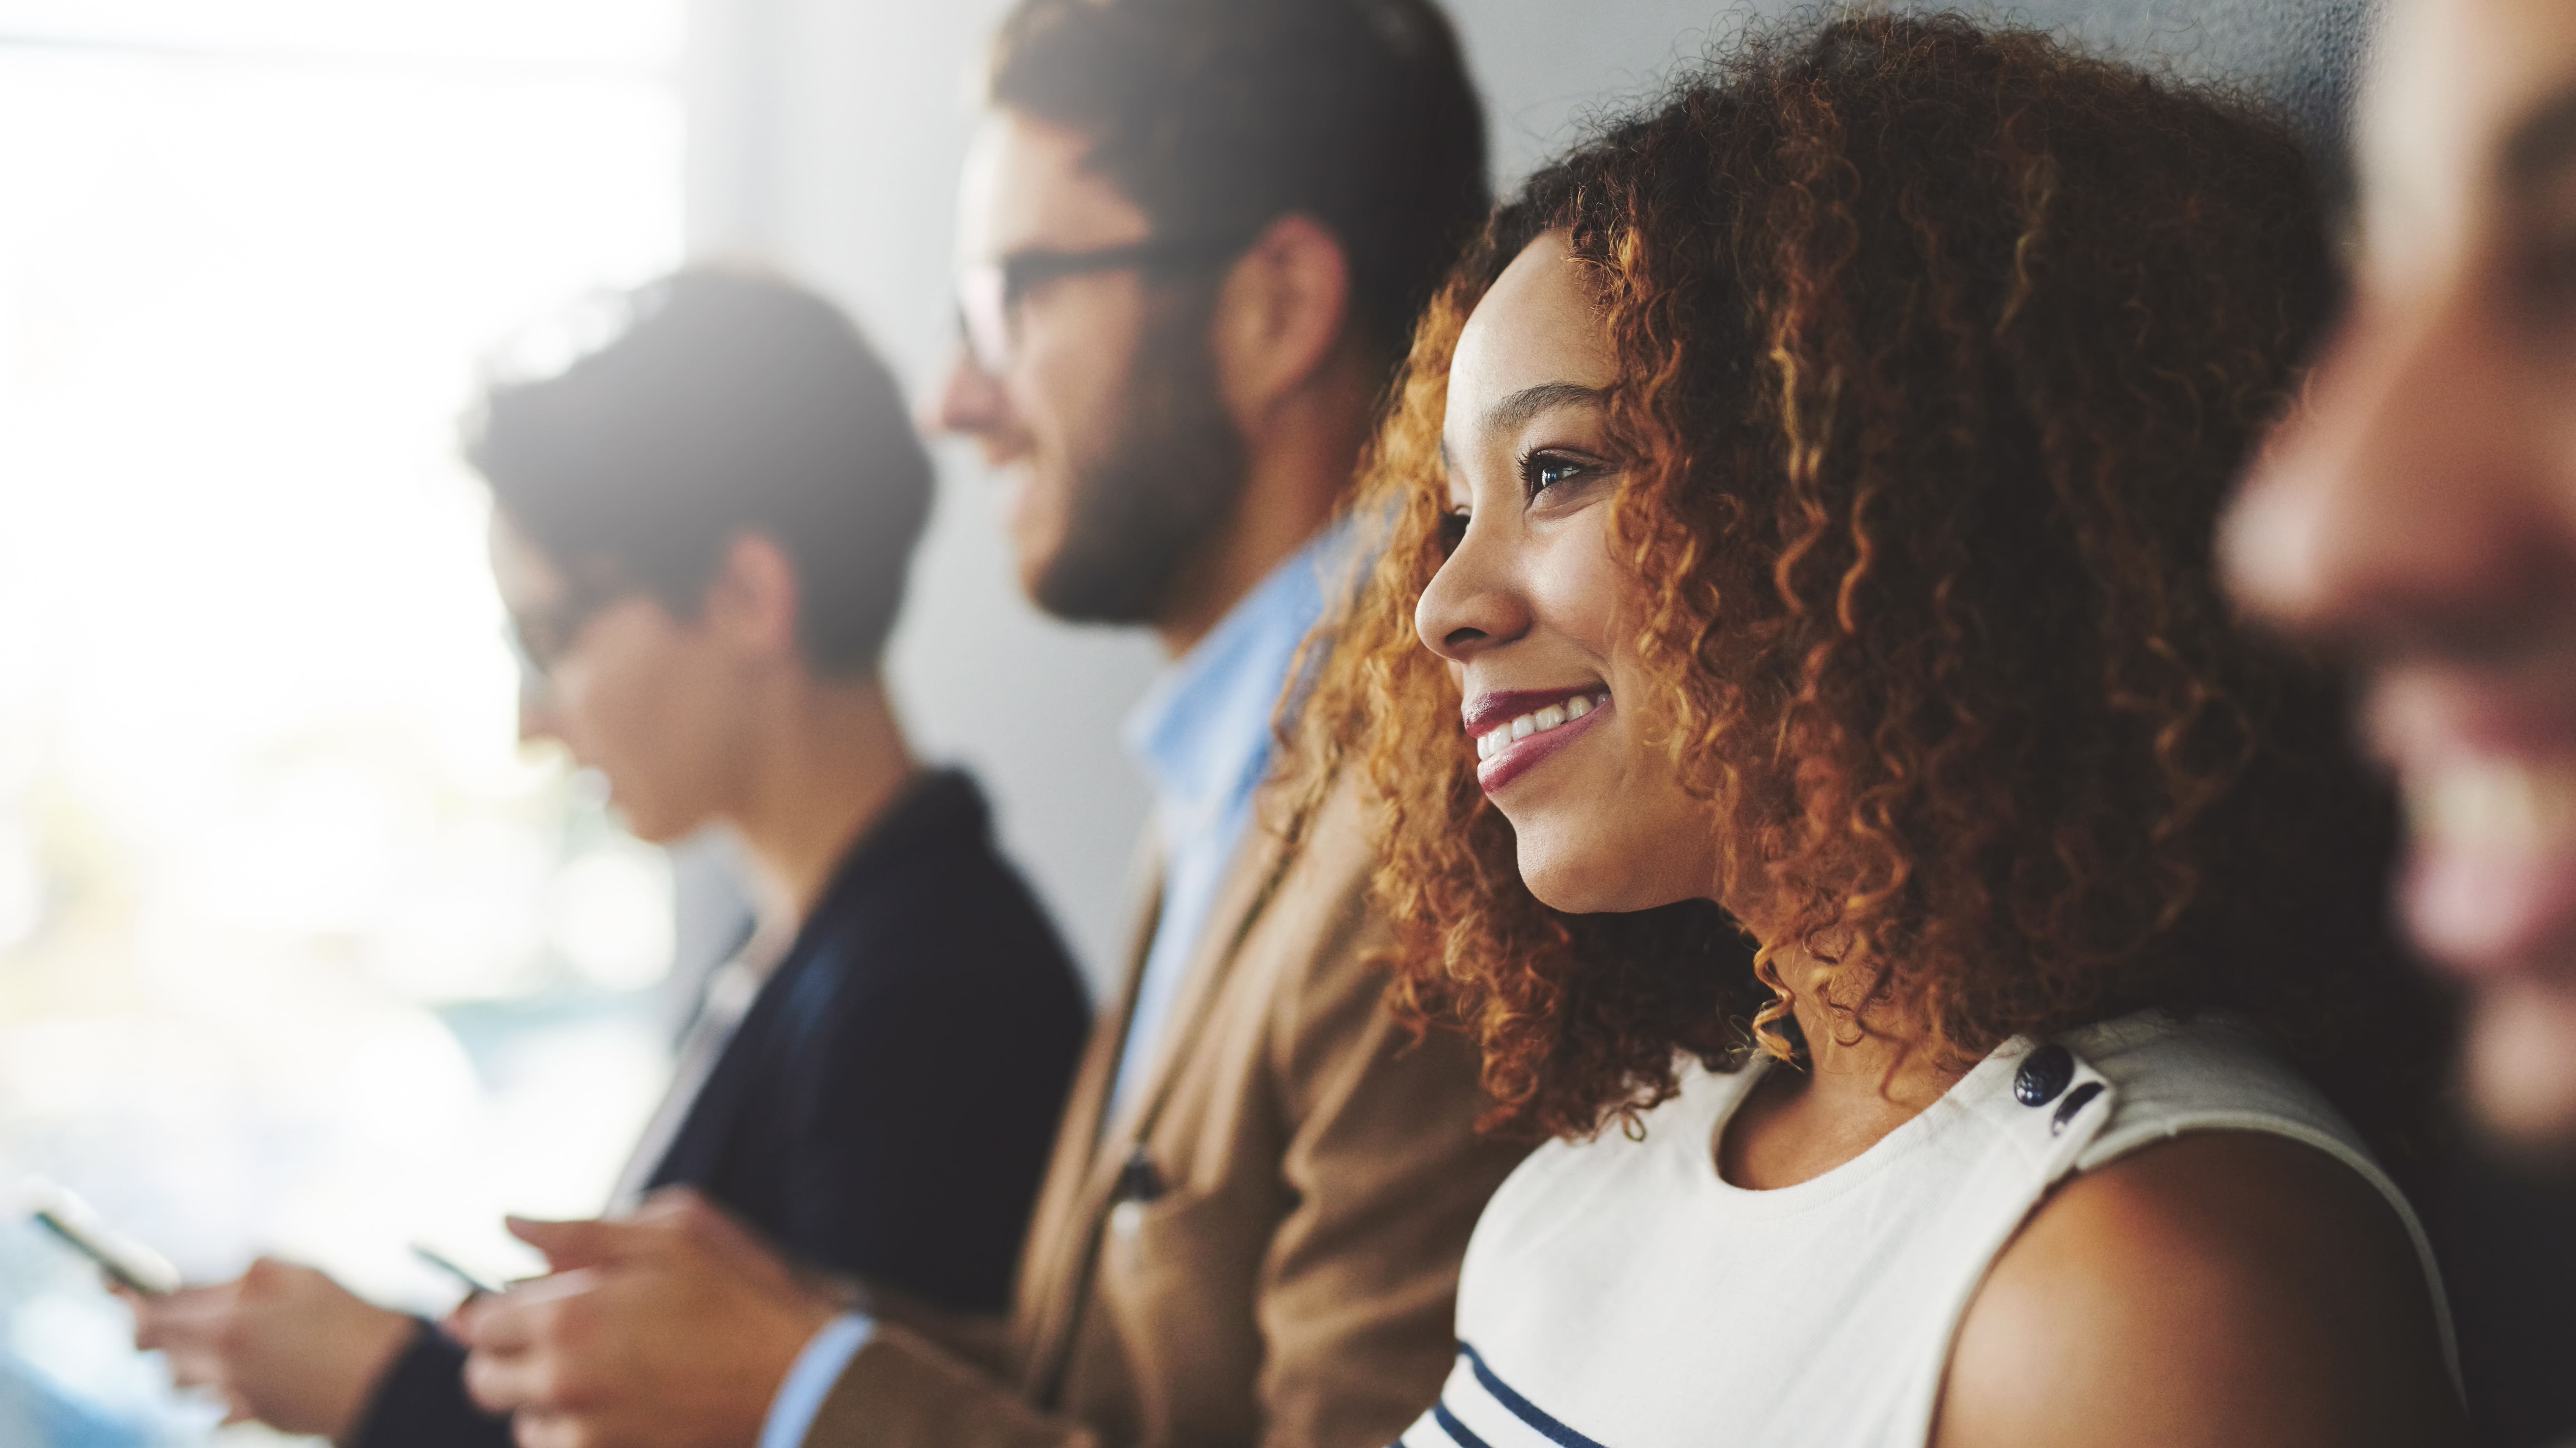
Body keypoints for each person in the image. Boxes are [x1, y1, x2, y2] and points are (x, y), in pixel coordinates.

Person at [1291, 15, 2468, 1447]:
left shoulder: (2140, 1282)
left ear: (1889, 499)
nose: (1441, 607)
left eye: (1557, 470)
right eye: (1455, 513)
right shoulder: (1606, 1176)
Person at [452, 3, 1530, 1448]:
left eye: (1016, 295)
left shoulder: (1433, 815)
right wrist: (792, 1332)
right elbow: (1124, 1382)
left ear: (1276, 306)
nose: (956, 399)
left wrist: (806, 1388)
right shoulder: (1238, 767)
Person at [120, 267, 1091, 1447]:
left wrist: (394, 1394)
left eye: (554, 637)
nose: (535, 719)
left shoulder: (932, 991)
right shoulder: (801, 943)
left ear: (746, 594)